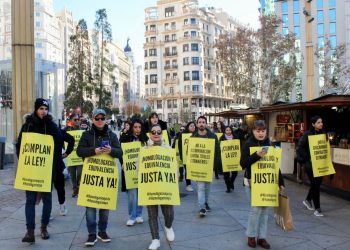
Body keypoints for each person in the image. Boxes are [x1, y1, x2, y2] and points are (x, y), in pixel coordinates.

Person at [16, 98, 63, 243]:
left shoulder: (52, 126)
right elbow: (20, 145)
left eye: (45, 109)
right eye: (41, 108)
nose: (43, 111)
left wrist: (53, 163)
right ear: (36, 109)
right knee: (30, 200)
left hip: (46, 171)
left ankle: (43, 228)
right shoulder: (27, 125)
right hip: (30, 169)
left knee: (47, 200)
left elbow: (59, 143)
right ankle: (30, 231)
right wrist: (24, 160)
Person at [76, 109, 122, 246]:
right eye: (97, 118)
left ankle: (102, 231)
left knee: (104, 205)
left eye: (102, 118)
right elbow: (79, 151)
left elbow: (120, 152)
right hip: (91, 176)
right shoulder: (86, 135)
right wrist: (93, 151)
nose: (100, 120)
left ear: (106, 119)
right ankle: (91, 234)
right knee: (90, 206)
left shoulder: (112, 135)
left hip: (106, 177)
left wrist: (111, 151)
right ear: (92, 119)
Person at [240, 120, 285, 249]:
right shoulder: (248, 144)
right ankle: (251, 236)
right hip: (251, 182)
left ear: (266, 131)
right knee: (256, 210)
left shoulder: (270, 144)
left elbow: (275, 165)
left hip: (267, 181)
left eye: (263, 130)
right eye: (258, 131)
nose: (260, 133)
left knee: (265, 210)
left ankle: (262, 237)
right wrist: (257, 155)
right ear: (253, 131)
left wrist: (281, 182)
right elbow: (243, 164)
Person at [141, 124, 175, 250]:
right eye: (153, 132)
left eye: (158, 132)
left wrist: (175, 177)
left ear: (161, 134)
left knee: (169, 213)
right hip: (149, 186)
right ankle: (155, 239)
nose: (156, 134)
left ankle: (168, 226)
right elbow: (139, 167)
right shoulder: (144, 150)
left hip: (165, 186)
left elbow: (174, 166)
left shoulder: (167, 148)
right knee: (152, 215)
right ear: (150, 134)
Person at [120, 119, 148, 226]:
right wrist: (123, 163)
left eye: (139, 127)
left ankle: (139, 214)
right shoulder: (125, 138)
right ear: (132, 128)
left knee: (140, 193)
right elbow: (120, 152)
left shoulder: (145, 139)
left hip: (142, 170)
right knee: (132, 194)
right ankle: (132, 216)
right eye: (135, 127)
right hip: (129, 170)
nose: (137, 129)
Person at [192, 116, 220, 217]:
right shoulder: (193, 138)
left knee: (207, 187)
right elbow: (190, 152)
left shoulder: (212, 136)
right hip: (198, 167)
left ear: (206, 124)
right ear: (197, 124)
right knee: (200, 187)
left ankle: (206, 203)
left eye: (203, 122)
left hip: (209, 166)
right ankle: (202, 208)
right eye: (199, 122)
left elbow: (217, 151)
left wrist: (215, 165)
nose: (201, 124)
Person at [297, 115, 325, 217]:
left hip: (320, 164)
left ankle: (308, 200)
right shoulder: (307, 134)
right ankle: (318, 209)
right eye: (318, 122)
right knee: (316, 186)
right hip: (310, 164)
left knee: (315, 185)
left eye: (321, 122)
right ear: (313, 124)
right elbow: (300, 147)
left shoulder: (323, 134)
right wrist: (307, 157)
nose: (321, 124)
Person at [52, 129, 74, 217]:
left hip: (57, 164)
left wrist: (67, 153)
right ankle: (47, 210)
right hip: (44, 165)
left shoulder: (56, 130)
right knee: (45, 189)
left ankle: (62, 204)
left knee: (60, 186)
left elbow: (71, 139)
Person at [64, 113, 82, 198]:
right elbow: (61, 138)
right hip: (71, 156)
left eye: (78, 119)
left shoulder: (81, 129)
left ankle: (78, 186)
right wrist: (65, 149)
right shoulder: (66, 129)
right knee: (72, 174)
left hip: (79, 156)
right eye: (75, 120)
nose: (77, 121)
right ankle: (75, 189)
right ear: (70, 120)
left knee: (80, 172)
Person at [178, 121, 197, 192]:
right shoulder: (183, 135)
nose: (193, 127)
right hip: (186, 156)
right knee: (187, 170)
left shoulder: (197, 134)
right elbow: (180, 146)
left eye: (194, 126)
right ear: (188, 127)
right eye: (191, 126)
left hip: (195, 156)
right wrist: (181, 156)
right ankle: (188, 185)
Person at [219, 126, 238, 193]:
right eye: (227, 130)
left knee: (235, 173)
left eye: (229, 130)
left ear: (231, 130)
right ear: (225, 131)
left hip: (234, 158)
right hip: (225, 159)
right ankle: (228, 187)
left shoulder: (235, 137)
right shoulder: (222, 138)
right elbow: (220, 148)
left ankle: (231, 182)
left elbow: (239, 147)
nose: (228, 131)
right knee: (226, 175)